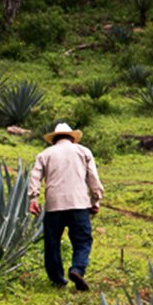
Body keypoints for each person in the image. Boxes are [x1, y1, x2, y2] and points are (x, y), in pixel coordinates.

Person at [28, 122, 104, 291]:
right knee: (83, 240)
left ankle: (58, 280)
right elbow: (93, 177)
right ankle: (77, 269)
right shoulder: (83, 151)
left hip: (54, 205)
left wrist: (33, 199)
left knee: (52, 242)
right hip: (79, 203)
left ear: (54, 139)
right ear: (72, 138)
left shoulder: (45, 154)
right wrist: (96, 200)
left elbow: (35, 177)